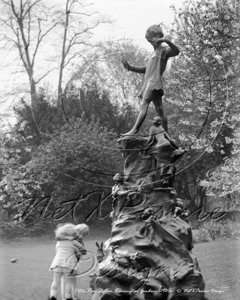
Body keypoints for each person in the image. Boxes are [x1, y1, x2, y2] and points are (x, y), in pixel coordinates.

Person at [122, 24, 180, 135]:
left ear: (157, 38)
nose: (150, 42)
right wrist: (130, 67)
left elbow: (176, 51)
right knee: (160, 108)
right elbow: (146, 69)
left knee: (144, 104)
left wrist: (167, 41)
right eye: (149, 40)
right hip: (149, 83)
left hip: (153, 83)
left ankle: (134, 130)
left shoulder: (164, 50)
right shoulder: (153, 54)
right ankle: (166, 133)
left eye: (151, 39)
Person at [49, 223, 87, 300]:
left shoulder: (58, 242)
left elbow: (57, 250)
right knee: (68, 282)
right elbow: (81, 252)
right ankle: (68, 297)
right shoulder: (74, 242)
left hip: (57, 263)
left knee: (55, 281)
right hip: (68, 265)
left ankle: (52, 296)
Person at [62, 224, 89, 300]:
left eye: (83, 236)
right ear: (75, 231)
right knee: (66, 280)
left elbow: (83, 253)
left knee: (73, 280)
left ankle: (74, 296)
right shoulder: (69, 239)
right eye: (80, 234)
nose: (81, 236)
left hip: (75, 264)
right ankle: (66, 296)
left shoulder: (80, 242)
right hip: (65, 263)